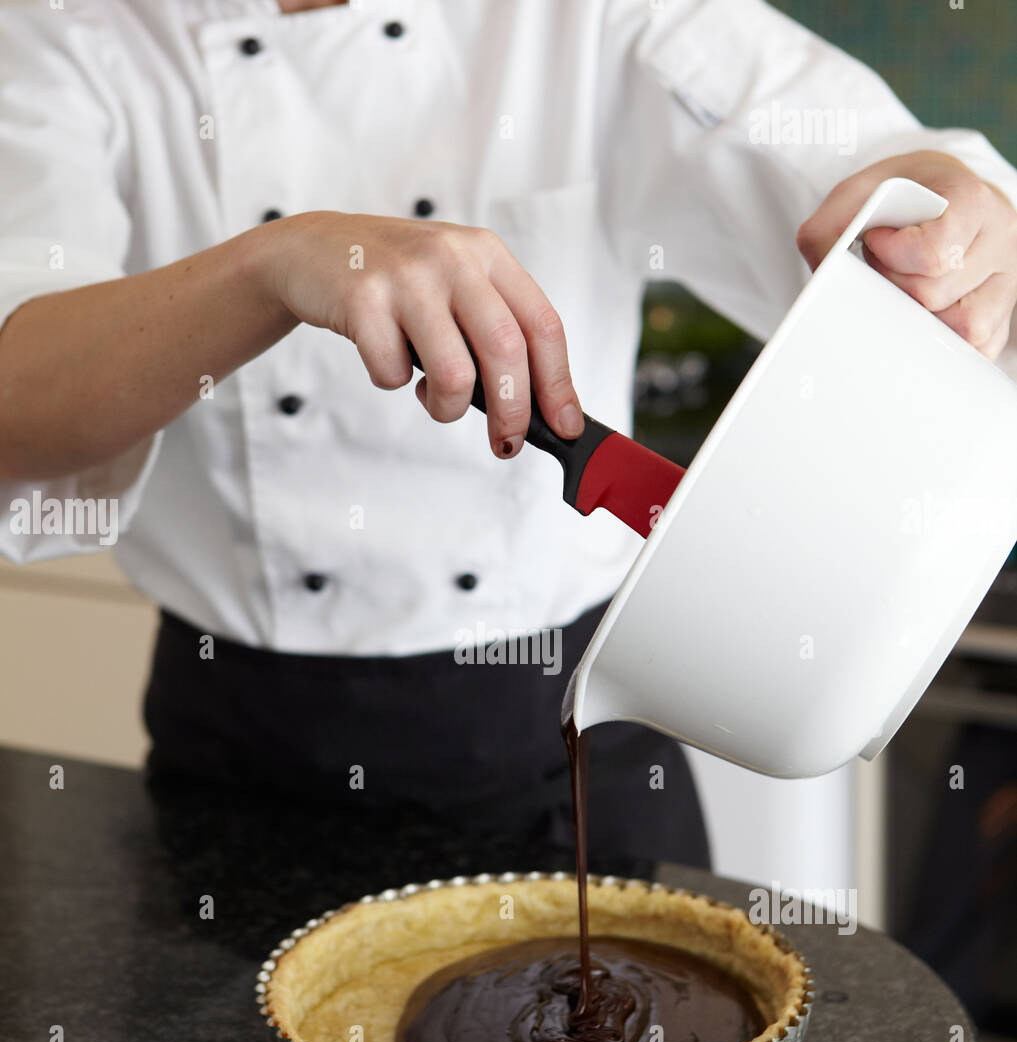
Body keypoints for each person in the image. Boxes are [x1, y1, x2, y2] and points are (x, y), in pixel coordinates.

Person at [1, 0, 1016, 871]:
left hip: (573, 735)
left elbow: (850, 156)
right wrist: (273, 266)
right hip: (243, 754)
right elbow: (18, 396)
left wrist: (949, 210)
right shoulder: (61, 26)